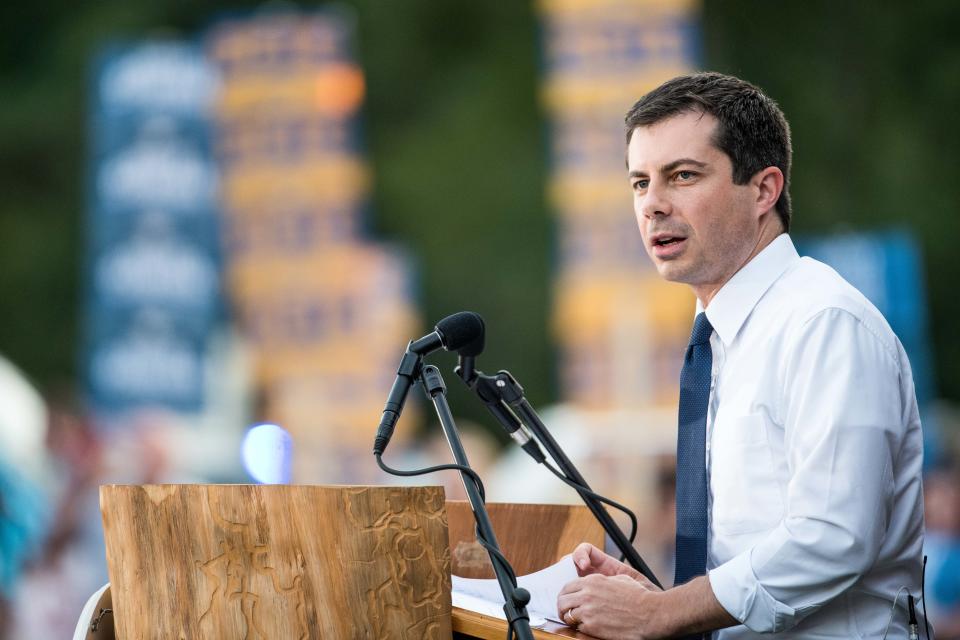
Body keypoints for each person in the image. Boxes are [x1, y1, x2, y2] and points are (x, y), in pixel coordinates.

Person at [556, 72, 927, 639]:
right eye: (639, 182)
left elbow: (833, 536)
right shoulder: (720, 335)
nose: (653, 205)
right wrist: (660, 602)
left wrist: (662, 614)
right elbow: (751, 554)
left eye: (682, 176)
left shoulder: (824, 323)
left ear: (763, 189)